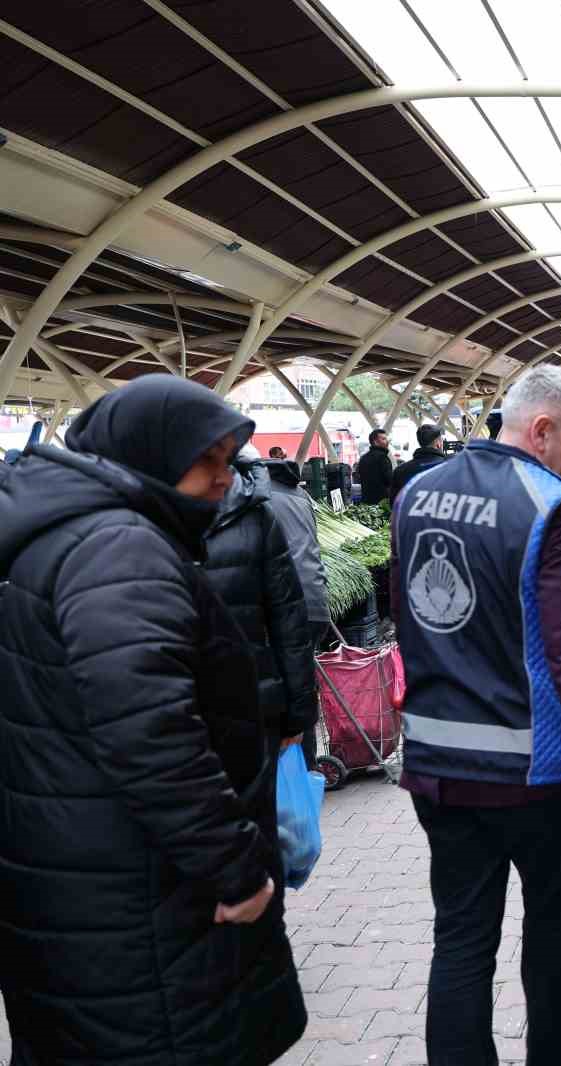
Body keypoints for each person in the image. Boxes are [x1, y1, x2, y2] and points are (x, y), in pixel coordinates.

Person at [0, 376, 305, 1065]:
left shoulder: (65, 533)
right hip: (140, 900)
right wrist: (235, 867)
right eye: (211, 460)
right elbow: (150, 731)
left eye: (231, 459)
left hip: (81, 880)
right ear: (151, 453)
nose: (227, 478)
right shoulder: (118, 548)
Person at [393, 364, 561, 1066]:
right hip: (538, 771)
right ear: (541, 431)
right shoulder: (552, 505)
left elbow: (410, 620)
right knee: (555, 923)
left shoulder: (416, 492)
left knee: (461, 936)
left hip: (437, 764)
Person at [205, 445, 321, 788]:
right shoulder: (295, 499)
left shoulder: (258, 510)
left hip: (235, 709)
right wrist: (297, 718)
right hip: (312, 596)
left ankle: (299, 773)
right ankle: (303, 772)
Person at [261, 453, 331, 769]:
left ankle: (295, 772)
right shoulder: (300, 494)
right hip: (316, 598)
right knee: (302, 684)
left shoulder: (259, 498)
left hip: (288, 603)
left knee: (284, 687)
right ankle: (307, 766)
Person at [391, 423, 450, 502]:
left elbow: (394, 504)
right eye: (442, 440)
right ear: (438, 443)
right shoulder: (451, 468)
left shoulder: (400, 471)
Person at [357, 427, 393, 503]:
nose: (387, 441)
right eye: (383, 439)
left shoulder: (363, 458)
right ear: (375, 442)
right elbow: (389, 479)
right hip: (382, 502)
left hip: (366, 501)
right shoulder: (383, 458)